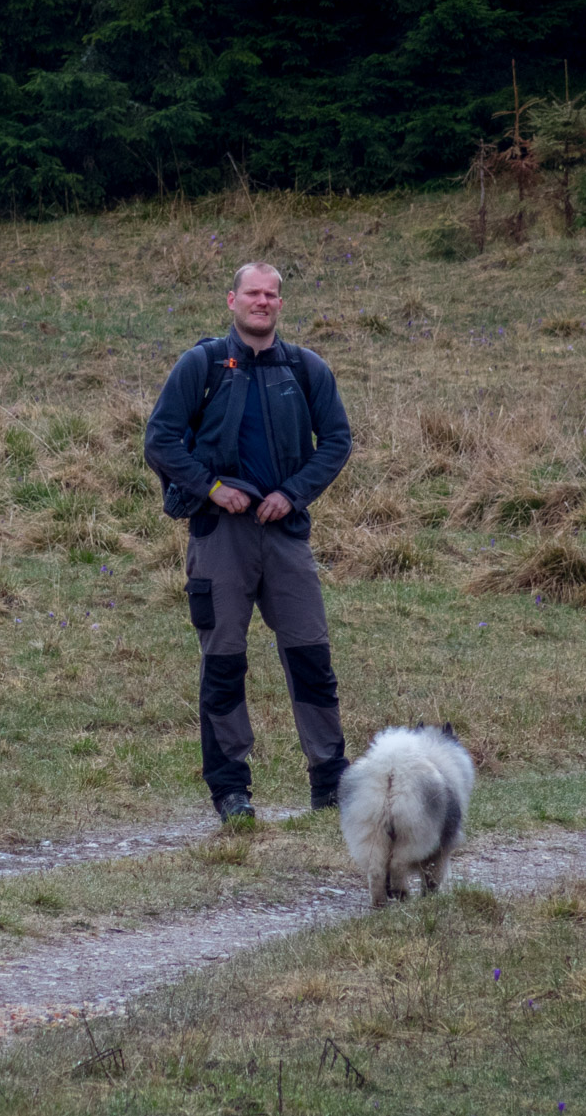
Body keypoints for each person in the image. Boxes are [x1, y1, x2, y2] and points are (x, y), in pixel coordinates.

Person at [143, 262, 354, 824]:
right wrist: (211, 488)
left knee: (312, 658)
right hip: (221, 538)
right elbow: (159, 440)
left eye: (271, 295)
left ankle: (331, 784)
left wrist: (294, 493)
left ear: (280, 304)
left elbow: (336, 441)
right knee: (224, 663)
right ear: (231, 300)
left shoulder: (306, 368)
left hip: (284, 535)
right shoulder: (203, 364)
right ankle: (231, 792)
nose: (262, 303)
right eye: (252, 294)